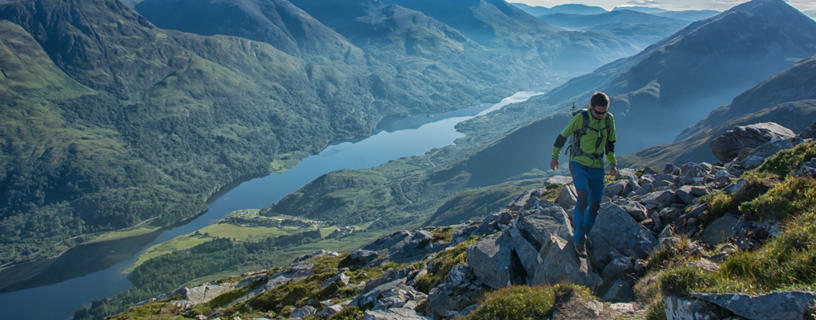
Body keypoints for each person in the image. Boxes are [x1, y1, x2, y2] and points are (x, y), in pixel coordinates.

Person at [549, 92, 618, 257]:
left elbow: (610, 143)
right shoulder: (581, 118)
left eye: (604, 112)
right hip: (579, 164)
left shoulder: (609, 119)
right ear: (591, 106)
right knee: (583, 197)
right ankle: (579, 241)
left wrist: (613, 162)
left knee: (595, 205)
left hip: (597, 166)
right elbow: (562, 136)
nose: (601, 116)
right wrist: (554, 157)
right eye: (598, 112)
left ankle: (584, 232)